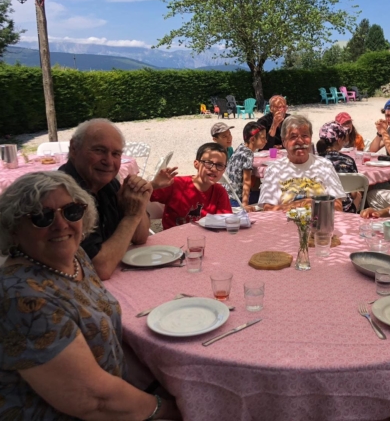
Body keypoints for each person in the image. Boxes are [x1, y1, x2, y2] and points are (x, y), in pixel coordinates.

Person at [0, 172, 180, 420]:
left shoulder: (75, 257)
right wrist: (167, 410)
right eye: (42, 217)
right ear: (13, 227)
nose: (61, 224)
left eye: (72, 211)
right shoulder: (23, 299)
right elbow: (94, 401)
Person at [59, 118, 151, 280]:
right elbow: (99, 268)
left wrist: (138, 201)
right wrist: (131, 216)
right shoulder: (64, 195)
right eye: (99, 150)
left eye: (116, 154)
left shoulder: (108, 183)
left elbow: (140, 237)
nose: (108, 161)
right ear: (74, 148)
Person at [258, 115, 347, 211]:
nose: (300, 141)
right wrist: (299, 204)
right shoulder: (275, 169)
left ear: (311, 138)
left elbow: (338, 207)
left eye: (305, 136)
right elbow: (268, 210)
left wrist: (312, 204)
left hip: (319, 223)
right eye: (293, 137)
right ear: (284, 142)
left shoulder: (324, 165)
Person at [150, 143, 232, 229]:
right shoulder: (175, 184)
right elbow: (140, 194)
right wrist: (154, 185)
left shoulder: (220, 192)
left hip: (206, 239)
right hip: (174, 240)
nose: (214, 169)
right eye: (209, 163)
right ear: (196, 164)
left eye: (219, 165)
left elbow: (224, 223)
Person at [316, 121, 360, 212]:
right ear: (339, 140)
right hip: (344, 209)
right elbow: (354, 193)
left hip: (319, 206)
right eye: (344, 138)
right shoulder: (348, 161)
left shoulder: (315, 160)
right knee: (358, 194)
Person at [224, 121, 267, 209]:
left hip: (227, 194)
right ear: (252, 140)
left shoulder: (241, 147)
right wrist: (245, 205)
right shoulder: (248, 154)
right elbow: (246, 181)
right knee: (268, 196)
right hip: (236, 200)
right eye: (263, 138)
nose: (266, 141)